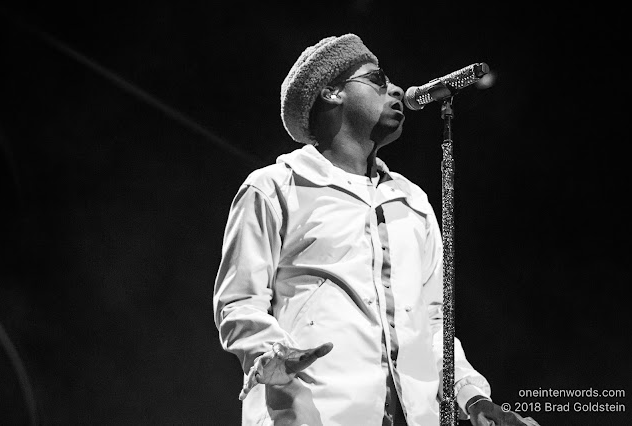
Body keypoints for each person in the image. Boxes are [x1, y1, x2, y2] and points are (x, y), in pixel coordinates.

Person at [213, 34, 540, 426]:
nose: (397, 89)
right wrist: (272, 352)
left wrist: (472, 397)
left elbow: (433, 322)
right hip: (316, 414)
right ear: (332, 92)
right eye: (378, 79)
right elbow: (238, 301)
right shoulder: (275, 187)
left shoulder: (412, 201)